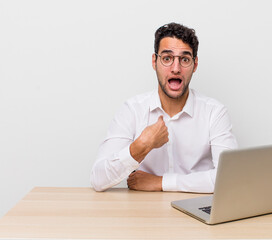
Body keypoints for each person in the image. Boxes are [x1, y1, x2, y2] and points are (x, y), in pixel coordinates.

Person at [90, 22, 238, 193]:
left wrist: (161, 182)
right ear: (155, 61)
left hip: (197, 211)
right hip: (145, 214)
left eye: (184, 59)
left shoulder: (214, 112)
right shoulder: (132, 110)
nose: (176, 68)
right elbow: (98, 179)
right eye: (167, 58)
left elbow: (228, 178)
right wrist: (141, 146)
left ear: (195, 65)